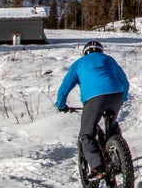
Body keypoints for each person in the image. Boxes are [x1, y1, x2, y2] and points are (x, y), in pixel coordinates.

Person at [55, 40, 130, 180]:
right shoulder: (109, 59)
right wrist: (123, 98)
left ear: (85, 52)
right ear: (100, 51)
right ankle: (118, 158)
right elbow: (124, 81)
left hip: (94, 98)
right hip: (116, 95)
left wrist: (61, 105)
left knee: (86, 134)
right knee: (112, 125)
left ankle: (97, 166)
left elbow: (65, 87)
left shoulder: (79, 63)